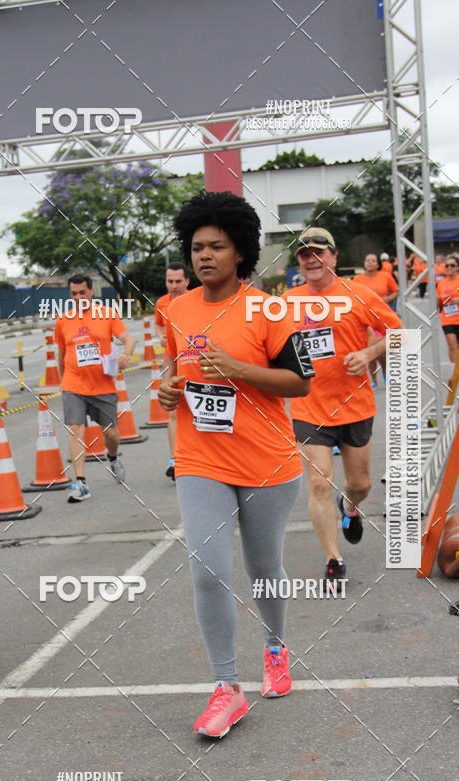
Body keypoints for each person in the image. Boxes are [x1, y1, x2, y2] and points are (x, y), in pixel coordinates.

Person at [159, 191, 314, 739]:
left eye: (216, 247)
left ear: (240, 252)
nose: (204, 256)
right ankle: (226, 688)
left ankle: (275, 647)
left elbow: (300, 382)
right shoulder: (175, 308)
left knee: (263, 569)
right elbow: (171, 374)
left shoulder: (269, 309)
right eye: (197, 247)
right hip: (200, 457)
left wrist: (241, 368)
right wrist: (169, 393)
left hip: (268, 461)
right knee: (209, 572)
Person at [282, 227, 402, 590]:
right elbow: (263, 346)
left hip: (355, 406)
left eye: (318, 252)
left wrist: (368, 353)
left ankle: (350, 507)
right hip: (308, 408)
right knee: (319, 482)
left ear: (333, 257)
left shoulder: (358, 295)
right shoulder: (285, 303)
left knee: (361, 484)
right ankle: (334, 559)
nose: (311, 259)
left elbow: (399, 333)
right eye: (304, 254)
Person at [54, 274, 135, 500]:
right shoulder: (63, 320)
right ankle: (81, 483)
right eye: (73, 294)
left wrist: (126, 355)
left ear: (91, 292)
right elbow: (61, 353)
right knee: (76, 429)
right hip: (73, 384)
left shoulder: (107, 314)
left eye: (82, 293)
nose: (78, 297)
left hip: (103, 385)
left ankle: (113, 457)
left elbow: (128, 339)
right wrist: (63, 382)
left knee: (110, 432)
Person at [153, 262, 190, 480]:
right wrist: (160, 335)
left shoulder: (197, 299)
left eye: (178, 281)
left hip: (193, 362)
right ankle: (175, 460)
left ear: (187, 281)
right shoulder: (162, 303)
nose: (174, 285)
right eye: (170, 281)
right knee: (173, 411)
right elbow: (158, 324)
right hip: (172, 360)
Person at [353, 252, 399, 383]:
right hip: (365, 319)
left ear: (378, 264)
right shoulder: (358, 279)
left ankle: (385, 372)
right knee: (369, 350)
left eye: (373, 261)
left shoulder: (385, 277)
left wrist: (387, 299)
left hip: (380, 318)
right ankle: (373, 379)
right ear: (364, 263)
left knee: (382, 350)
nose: (370, 263)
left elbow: (396, 291)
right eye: (368, 260)